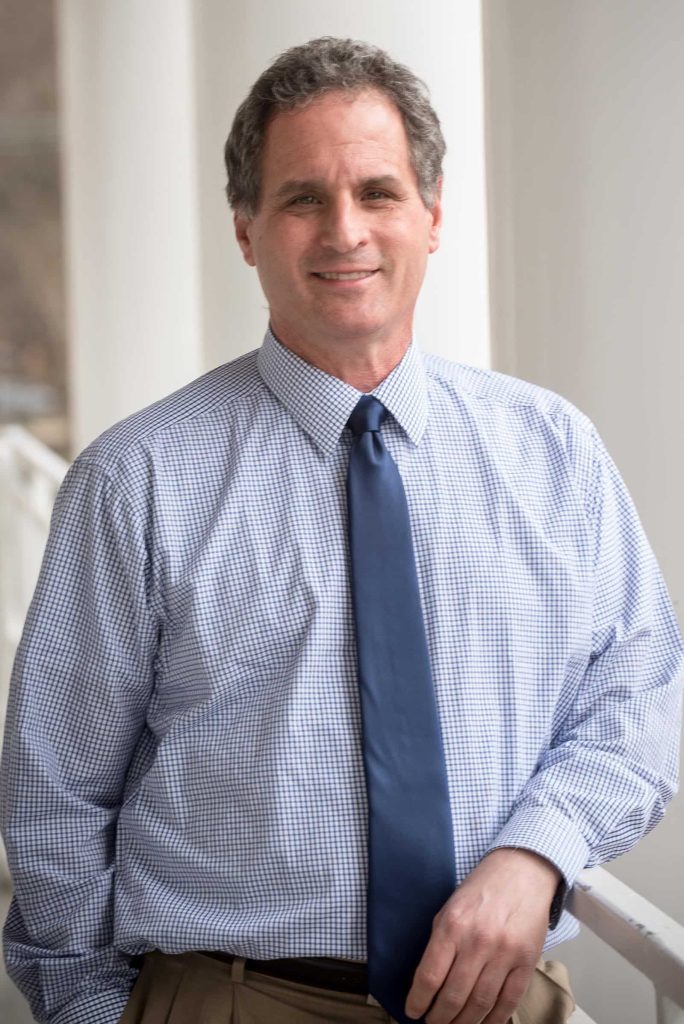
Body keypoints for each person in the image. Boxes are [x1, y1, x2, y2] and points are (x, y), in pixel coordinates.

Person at [1, 35, 682, 1024]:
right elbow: (56, 797)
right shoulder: (133, 480)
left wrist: (537, 849)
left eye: (378, 191)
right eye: (303, 198)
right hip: (231, 1001)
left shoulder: (553, 453)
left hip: (501, 999)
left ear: (434, 215)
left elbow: (641, 696)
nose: (345, 231)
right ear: (246, 229)